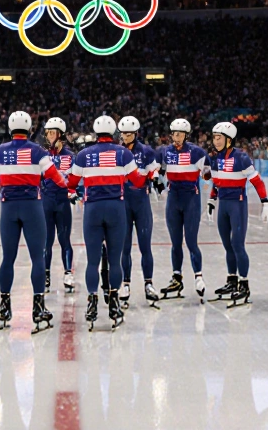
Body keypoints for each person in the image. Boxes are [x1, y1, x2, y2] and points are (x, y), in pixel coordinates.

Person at [0, 111, 70, 332]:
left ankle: (4, 306)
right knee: (37, 258)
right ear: (30, 129)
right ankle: (38, 307)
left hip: (8, 207)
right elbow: (55, 176)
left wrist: (4, 183)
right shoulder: (38, 151)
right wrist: (69, 186)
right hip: (33, 207)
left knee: (8, 258)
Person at [67, 116, 146, 331]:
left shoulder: (83, 155)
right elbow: (138, 181)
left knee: (93, 261)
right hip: (116, 209)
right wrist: (150, 174)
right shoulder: (124, 153)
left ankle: (92, 302)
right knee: (114, 260)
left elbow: (71, 183)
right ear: (114, 132)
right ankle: (113, 303)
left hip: (92, 209)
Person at [203, 121, 268, 308]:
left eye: (219, 138)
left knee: (237, 244)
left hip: (237, 205)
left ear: (229, 139)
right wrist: (211, 200)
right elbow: (216, 182)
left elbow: (257, 181)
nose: (215, 141)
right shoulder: (215, 158)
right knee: (227, 245)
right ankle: (232, 280)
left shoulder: (241, 157)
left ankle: (244, 284)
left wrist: (265, 202)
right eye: (214, 138)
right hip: (223, 205)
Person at [155, 118, 208, 302]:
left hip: (191, 200)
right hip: (173, 199)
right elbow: (158, 170)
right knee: (175, 242)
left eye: (179, 134)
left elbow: (209, 174)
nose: (175, 137)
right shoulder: (165, 152)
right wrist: (157, 183)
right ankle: (177, 278)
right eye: (173, 134)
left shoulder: (197, 153)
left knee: (191, 242)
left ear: (186, 135)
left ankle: (198, 277)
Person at [117, 115, 160, 309]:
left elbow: (153, 170)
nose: (125, 136)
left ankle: (148, 284)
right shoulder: (117, 152)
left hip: (141, 201)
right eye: (123, 133)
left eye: (128, 133)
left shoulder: (146, 151)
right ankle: (125, 284)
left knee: (145, 246)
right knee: (125, 247)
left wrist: (157, 179)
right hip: (123, 202)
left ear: (136, 133)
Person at [41, 117, 77, 293]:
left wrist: (76, 191)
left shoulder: (71, 157)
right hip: (46, 202)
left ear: (60, 135)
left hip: (62, 202)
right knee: (46, 241)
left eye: (52, 132)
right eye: (47, 133)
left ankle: (68, 273)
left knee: (64, 239)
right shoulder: (43, 155)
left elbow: (77, 179)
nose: (49, 136)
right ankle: (45, 274)